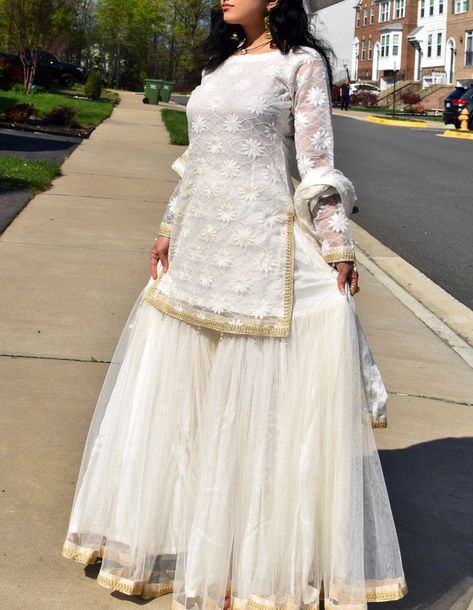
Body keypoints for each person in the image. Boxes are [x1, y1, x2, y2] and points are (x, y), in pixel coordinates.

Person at [62, 0, 409, 608]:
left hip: (263, 253)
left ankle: (249, 569)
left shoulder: (300, 64)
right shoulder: (218, 65)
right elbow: (198, 160)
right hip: (201, 250)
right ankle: (191, 547)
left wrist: (336, 243)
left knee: (257, 414)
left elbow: (316, 163)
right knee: (190, 408)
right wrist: (169, 225)